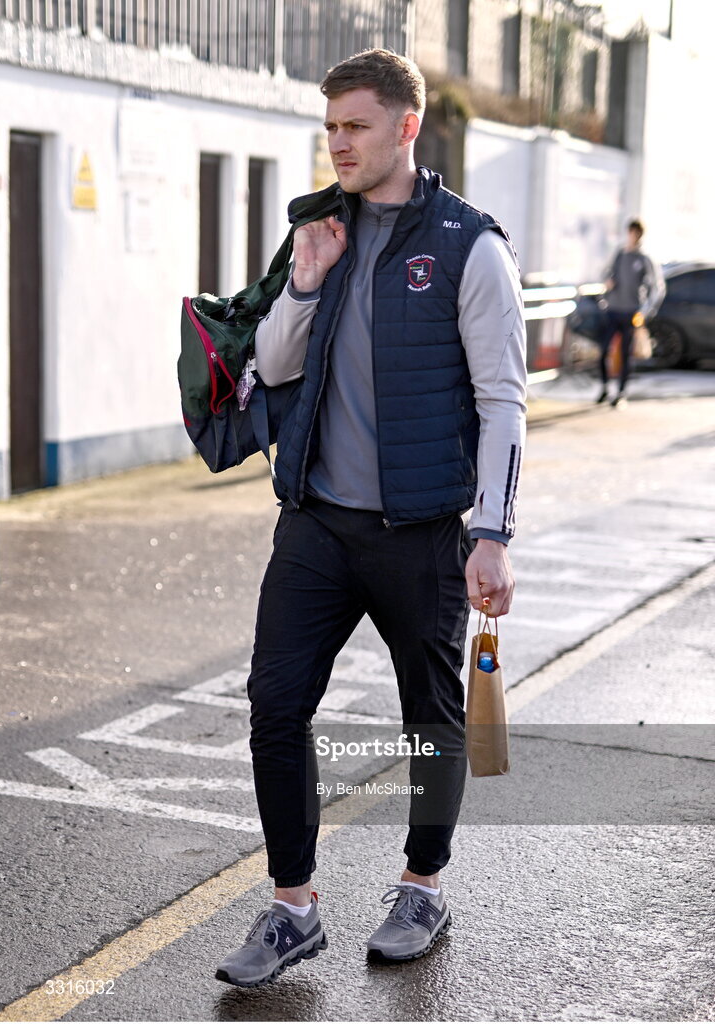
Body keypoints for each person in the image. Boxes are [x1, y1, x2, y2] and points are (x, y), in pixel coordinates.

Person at [215, 48, 527, 988]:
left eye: (355, 126)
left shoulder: (470, 245)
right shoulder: (322, 229)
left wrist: (492, 534)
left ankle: (423, 885)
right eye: (330, 128)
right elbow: (272, 367)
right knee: (275, 705)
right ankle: (292, 907)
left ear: (406, 126)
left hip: (421, 532)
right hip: (315, 521)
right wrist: (306, 280)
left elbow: (503, 400)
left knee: (430, 718)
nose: (339, 144)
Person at [597, 218, 665, 407]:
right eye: (631, 232)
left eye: (637, 233)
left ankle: (621, 392)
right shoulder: (619, 253)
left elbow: (657, 287)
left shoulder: (644, 258)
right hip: (613, 309)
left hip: (631, 312)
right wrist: (607, 284)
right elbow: (605, 273)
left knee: (625, 353)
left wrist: (645, 311)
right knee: (604, 351)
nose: (633, 236)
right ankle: (604, 387)